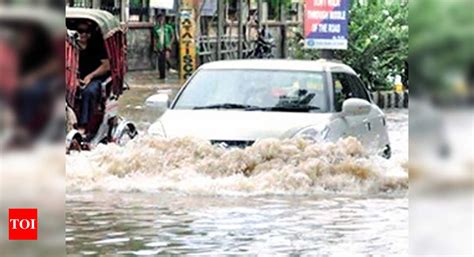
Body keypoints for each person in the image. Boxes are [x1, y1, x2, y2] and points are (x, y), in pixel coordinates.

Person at [76, 21, 110, 135]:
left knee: (88, 92)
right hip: (73, 78)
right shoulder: (69, 46)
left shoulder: (97, 46)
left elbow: (106, 65)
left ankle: (84, 126)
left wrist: (90, 76)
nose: (83, 34)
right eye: (80, 31)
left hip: (95, 79)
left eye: (86, 32)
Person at [152, 12, 175, 79]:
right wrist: (155, 46)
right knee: (160, 61)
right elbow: (155, 38)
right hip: (160, 46)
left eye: (162, 18)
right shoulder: (156, 28)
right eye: (159, 18)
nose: (161, 20)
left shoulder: (168, 27)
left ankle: (169, 68)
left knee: (166, 58)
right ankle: (161, 75)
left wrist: (170, 44)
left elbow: (173, 36)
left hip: (167, 45)